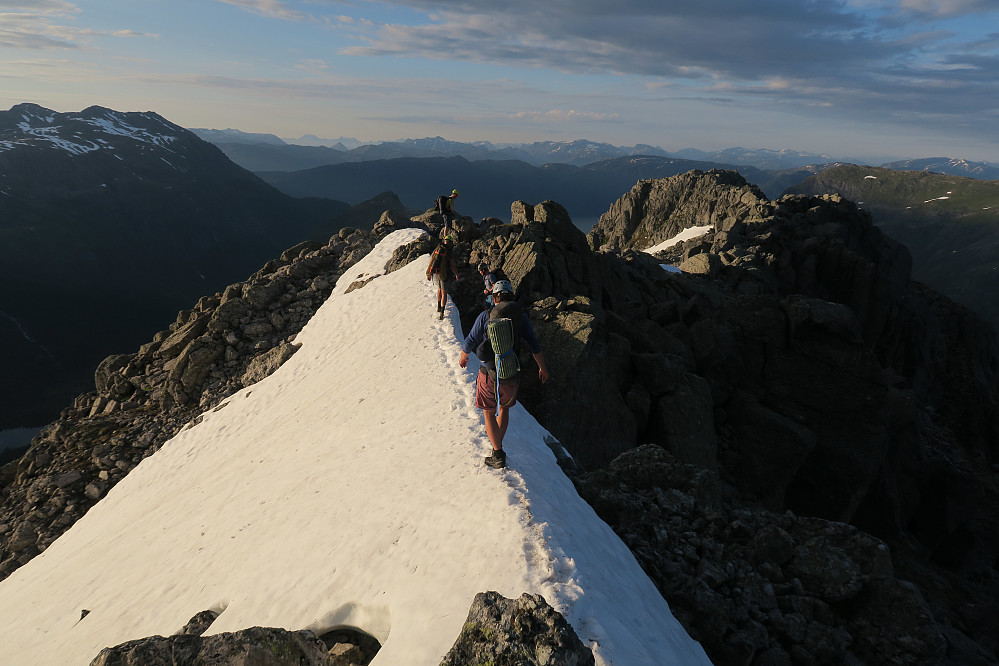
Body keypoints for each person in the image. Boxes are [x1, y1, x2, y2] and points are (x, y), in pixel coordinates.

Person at [459, 280, 549, 468]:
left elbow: (470, 340)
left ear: (495, 297)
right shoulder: (520, 318)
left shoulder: (486, 316)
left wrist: (463, 358)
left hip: (489, 374)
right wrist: (543, 368)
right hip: (511, 373)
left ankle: (497, 453)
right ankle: (497, 448)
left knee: (488, 412)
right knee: (504, 409)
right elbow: (534, 344)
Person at [426, 234, 460, 319]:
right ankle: (442, 312)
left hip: (436, 273)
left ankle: (438, 307)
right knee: (444, 293)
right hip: (444, 274)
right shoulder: (449, 251)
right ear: (450, 242)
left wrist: (429, 273)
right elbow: (452, 265)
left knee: (439, 289)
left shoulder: (438, 248)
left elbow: (432, 259)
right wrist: (456, 274)